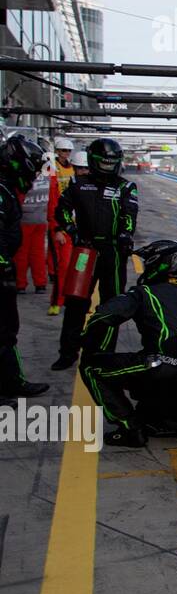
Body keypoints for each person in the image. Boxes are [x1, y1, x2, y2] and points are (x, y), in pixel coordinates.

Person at [79, 240, 177, 447]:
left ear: (159, 263)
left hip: (161, 368)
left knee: (90, 368)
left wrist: (86, 339)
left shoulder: (145, 292)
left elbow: (104, 315)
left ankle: (130, 430)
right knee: (151, 393)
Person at [52, 138, 138, 370]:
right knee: (75, 302)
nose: (109, 167)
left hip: (114, 252)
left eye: (113, 163)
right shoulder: (78, 184)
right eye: (105, 163)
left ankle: (104, 352)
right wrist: (72, 231)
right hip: (85, 251)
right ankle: (67, 352)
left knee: (112, 304)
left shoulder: (125, 187)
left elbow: (130, 215)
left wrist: (125, 235)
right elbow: (61, 211)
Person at [0, 135, 51, 405]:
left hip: (5, 270)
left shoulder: (7, 188)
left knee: (8, 330)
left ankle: (12, 382)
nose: (33, 174)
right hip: (2, 271)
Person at [13, 152, 53, 296]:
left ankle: (20, 284)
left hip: (24, 220)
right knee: (38, 253)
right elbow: (52, 198)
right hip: (41, 220)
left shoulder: (24, 175)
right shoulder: (48, 175)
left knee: (21, 254)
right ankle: (40, 283)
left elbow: (17, 198)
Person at [48, 138, 76, 316]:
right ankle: (58, 300)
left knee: (80, 268)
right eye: (63, 150)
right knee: (63, 265)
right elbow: (50, 198)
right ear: (57, 151)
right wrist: (57, 226)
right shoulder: (50, 167)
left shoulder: (74, 170)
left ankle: (78, 301)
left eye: (68, 151)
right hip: (60, 219)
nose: (65, 153)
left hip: (78, 226)